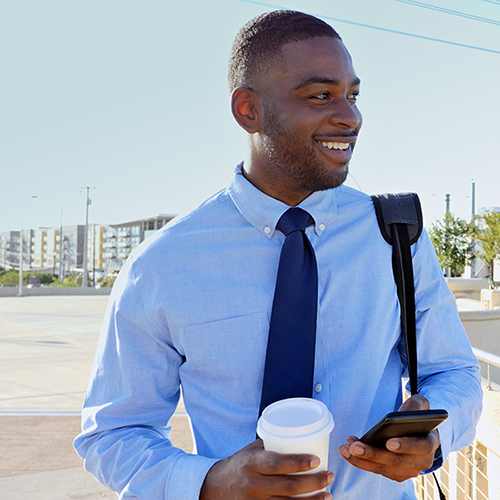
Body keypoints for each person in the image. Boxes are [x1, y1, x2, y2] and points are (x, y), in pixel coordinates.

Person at [74, 10, 482, 499]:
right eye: (320, 95)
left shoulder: (396, 235)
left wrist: (432, 436)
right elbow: (114, 433)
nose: (350, 116)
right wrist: (208, 483)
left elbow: (454, 372)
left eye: (353, 95)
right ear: (248, 110)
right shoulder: (161, 266)